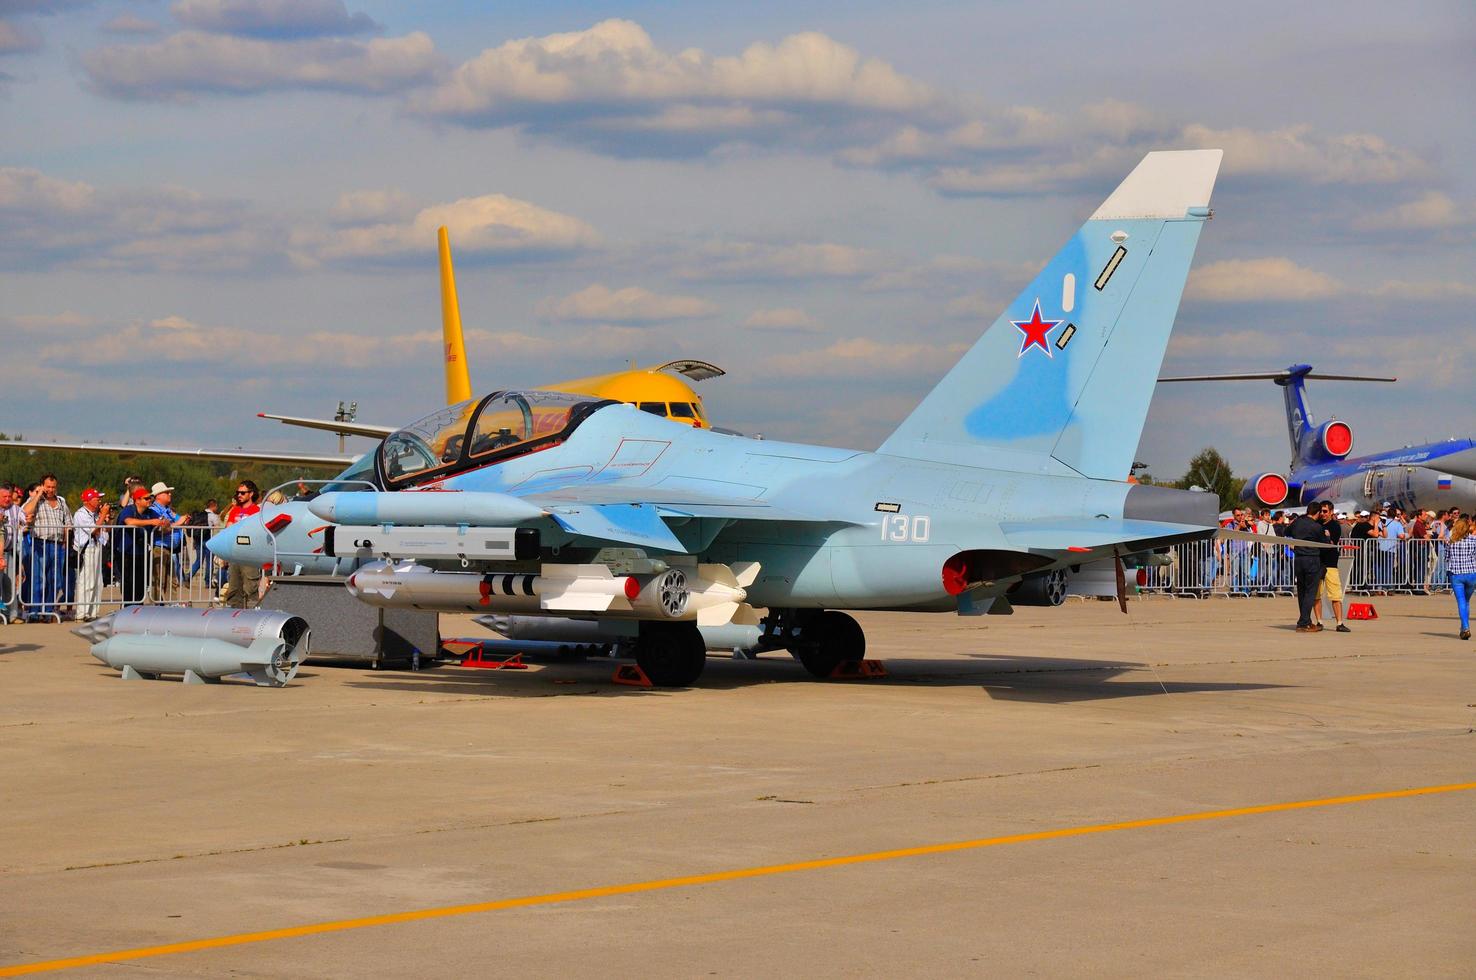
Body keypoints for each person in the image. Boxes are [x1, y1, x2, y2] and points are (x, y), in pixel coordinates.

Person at [21, 474, 70, 621]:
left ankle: (48, 611)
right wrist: (38, 495)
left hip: (57, 544)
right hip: (40, 543)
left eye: (53, 487)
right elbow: (26, 512)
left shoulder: (61, 501)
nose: (51, 489)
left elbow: (67, 522)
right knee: (39, 579)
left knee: (55, 580)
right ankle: (34, 612)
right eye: (48, 486)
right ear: (42, 486)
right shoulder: (36, 500)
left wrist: (65, 541)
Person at [1286, 501, 1330, 633]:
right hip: (1312, 560)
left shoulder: (1298, 522)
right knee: (1310, 592)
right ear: (1317, 513)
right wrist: (1327, 537)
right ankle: (1303, 622)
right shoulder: (1317, 527)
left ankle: (1306, 620)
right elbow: (1324, 544)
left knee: (1302, 592)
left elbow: (1286, 531)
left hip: (1299, 559)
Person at [144, 483, 190, 603]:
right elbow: (159, 529)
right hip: (159, 548)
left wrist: (183, 520)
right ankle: (156, 608)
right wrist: (178, 523)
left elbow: (177, 520)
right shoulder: (153, 510)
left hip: (169, 549)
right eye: (166, 492)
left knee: (171, 581)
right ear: (158, 496)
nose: (170, 494)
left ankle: (172, 607)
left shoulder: (168, 510)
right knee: (158, 580)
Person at [71, 489, 111, 621]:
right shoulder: (80, 514)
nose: (99, 501)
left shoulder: (95, 515)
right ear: (87, 501)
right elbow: (93, 530)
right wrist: (102, 515)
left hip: (97, 547)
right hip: (86, 549)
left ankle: (93, 612)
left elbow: (104, 533)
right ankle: (82, 613)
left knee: (98, 582)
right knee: (86, 581)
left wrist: (106, 518)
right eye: (96, 498)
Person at [220, 481, 261, 608]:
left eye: (243, 493)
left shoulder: (257, 510)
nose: (239, 495)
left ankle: (252, 618)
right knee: (233, 589)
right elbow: (228, 529)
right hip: (234, 554)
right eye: (238, 493)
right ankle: (233, 618)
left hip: (249, 555)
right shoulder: (234, 510)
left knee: (250, 589)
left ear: (251, 493)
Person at [1311, 501, 1350, 632]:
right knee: (1316, 595)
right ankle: (1319, 621)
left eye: (1325, 511)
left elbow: (1332, 541)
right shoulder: (1316, 524)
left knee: (1335, 595)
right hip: (1317, 563)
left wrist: (1326, 537)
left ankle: (1339, 623)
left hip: (1331, 564)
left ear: (1331, 512)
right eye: (1321, 511)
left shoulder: (1335, 526)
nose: (1322, 514)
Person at [116, 486, 157, 605]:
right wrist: (151, 522)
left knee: (141, 582)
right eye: (146, 498)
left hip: (142, 552)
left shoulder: (150, 512)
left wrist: (163, 524)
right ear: (137, 500)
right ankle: (128, 608)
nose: (149, 500)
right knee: (128, 582)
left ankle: (138, 608)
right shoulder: (128, 510)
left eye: (150, 498)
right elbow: (129, 521)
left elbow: (160, 522)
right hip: (126, 552)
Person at [1445, 517, 1476, 641]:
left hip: (1456, 574)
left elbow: (1447, 558)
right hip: (1471, 573)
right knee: (1466, 601)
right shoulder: (1474, 540)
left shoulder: (1451, 541)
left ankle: (1465, 627)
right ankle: (1463, 627)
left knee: (1461, 601)